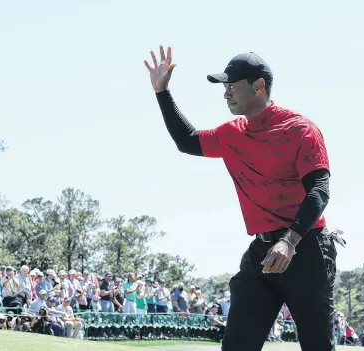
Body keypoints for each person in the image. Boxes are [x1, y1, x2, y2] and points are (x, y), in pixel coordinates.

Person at [144, 46, 337, 351]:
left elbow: (319, 191)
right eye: (225, 88)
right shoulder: (231, 133)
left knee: (317, 345)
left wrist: (289, 241)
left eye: (232, 86)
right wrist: (162, 92)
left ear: (259, 86)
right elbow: (187, 141)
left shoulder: (299, 130)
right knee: (237, 344)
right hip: (261, 253)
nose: (226, 94)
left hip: (306, 248)